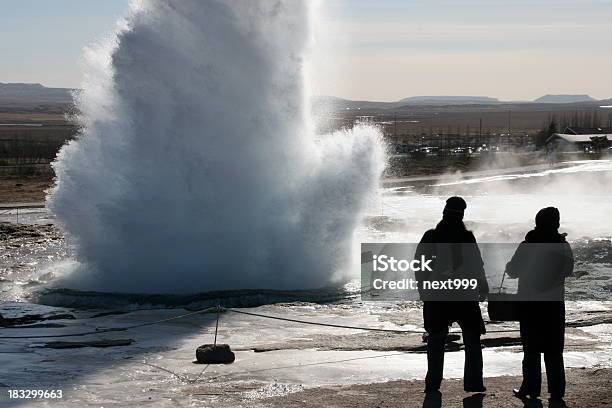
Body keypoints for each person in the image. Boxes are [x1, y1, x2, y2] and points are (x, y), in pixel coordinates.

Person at [415, 196, 489, 395]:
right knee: (472, 339)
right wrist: (483, 286)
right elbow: (477, 264)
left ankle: (432, 384)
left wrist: (423, 290)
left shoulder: (431, 236)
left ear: (444, 213)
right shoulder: (467, 237)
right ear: (462, 215)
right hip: (464, 295)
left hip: (437, 296)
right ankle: (473, 383)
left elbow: (419, 265)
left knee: (436, 339)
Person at [505, 207, 574, 407]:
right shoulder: (563, 245)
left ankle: (531, 389)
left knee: (531, 349)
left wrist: (510, 267)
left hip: (530, 304)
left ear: (537, 222)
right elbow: (568, 270)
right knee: (554, 350)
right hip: (554, 304)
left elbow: (514, 270)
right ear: (556, 223)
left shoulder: (528, 245)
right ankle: (557, 391)